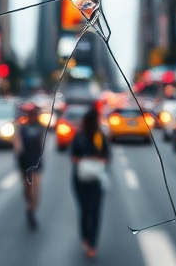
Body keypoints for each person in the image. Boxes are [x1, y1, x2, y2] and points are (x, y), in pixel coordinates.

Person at [70, 108, 110, 259]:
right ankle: (85, 237)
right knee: (85, 210)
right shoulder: (79, 137)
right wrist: (87, 161)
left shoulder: (100, 137)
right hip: (80, 180)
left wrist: (95, 161)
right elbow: (73, 157)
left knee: (94, 212)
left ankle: (92, 244)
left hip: (96, 181)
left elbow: (107, 157)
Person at [14, 103, 45, 230]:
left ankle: (31, 211)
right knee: (27, 190)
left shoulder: (40, 127)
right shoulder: (23, 128)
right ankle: (29, 205)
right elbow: (17, 143)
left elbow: (42, 143)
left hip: (36, 162)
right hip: (25, 162)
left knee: (35, 189)